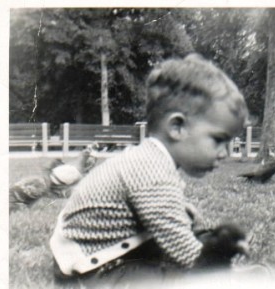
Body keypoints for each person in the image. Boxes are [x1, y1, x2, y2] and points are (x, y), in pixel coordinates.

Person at [50, 53, 249, 282]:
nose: (226, 153)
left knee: (193, 240)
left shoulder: (150, 159)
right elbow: (183, 251)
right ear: (177, 127)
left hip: (109, 252)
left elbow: (171, 214)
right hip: (93, 269)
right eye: (218, 139)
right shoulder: (150, 171)